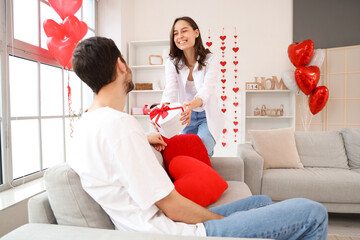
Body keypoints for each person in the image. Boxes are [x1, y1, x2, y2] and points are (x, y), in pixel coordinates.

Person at [69, 36, 328, 239]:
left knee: (260, 202)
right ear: (121, 65)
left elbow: (112, 163)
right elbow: (173, 207)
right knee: (313, 213)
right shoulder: (120, 126)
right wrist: (226, 227)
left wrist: (141, 139)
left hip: (157, 224)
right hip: (172, 232)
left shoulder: (87, 126)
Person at [161, 16, 225, 158]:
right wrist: (161, 115)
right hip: (184, 117)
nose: (180, 36)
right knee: (185, 152)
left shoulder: (210, 59)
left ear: (196, 33)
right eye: (175, 33)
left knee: (202, 146)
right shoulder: (172, 62)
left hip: (206, 115)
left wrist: (190, 106)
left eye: (184, 31)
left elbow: (206, 90)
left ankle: (206, 160)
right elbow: (170, 91)